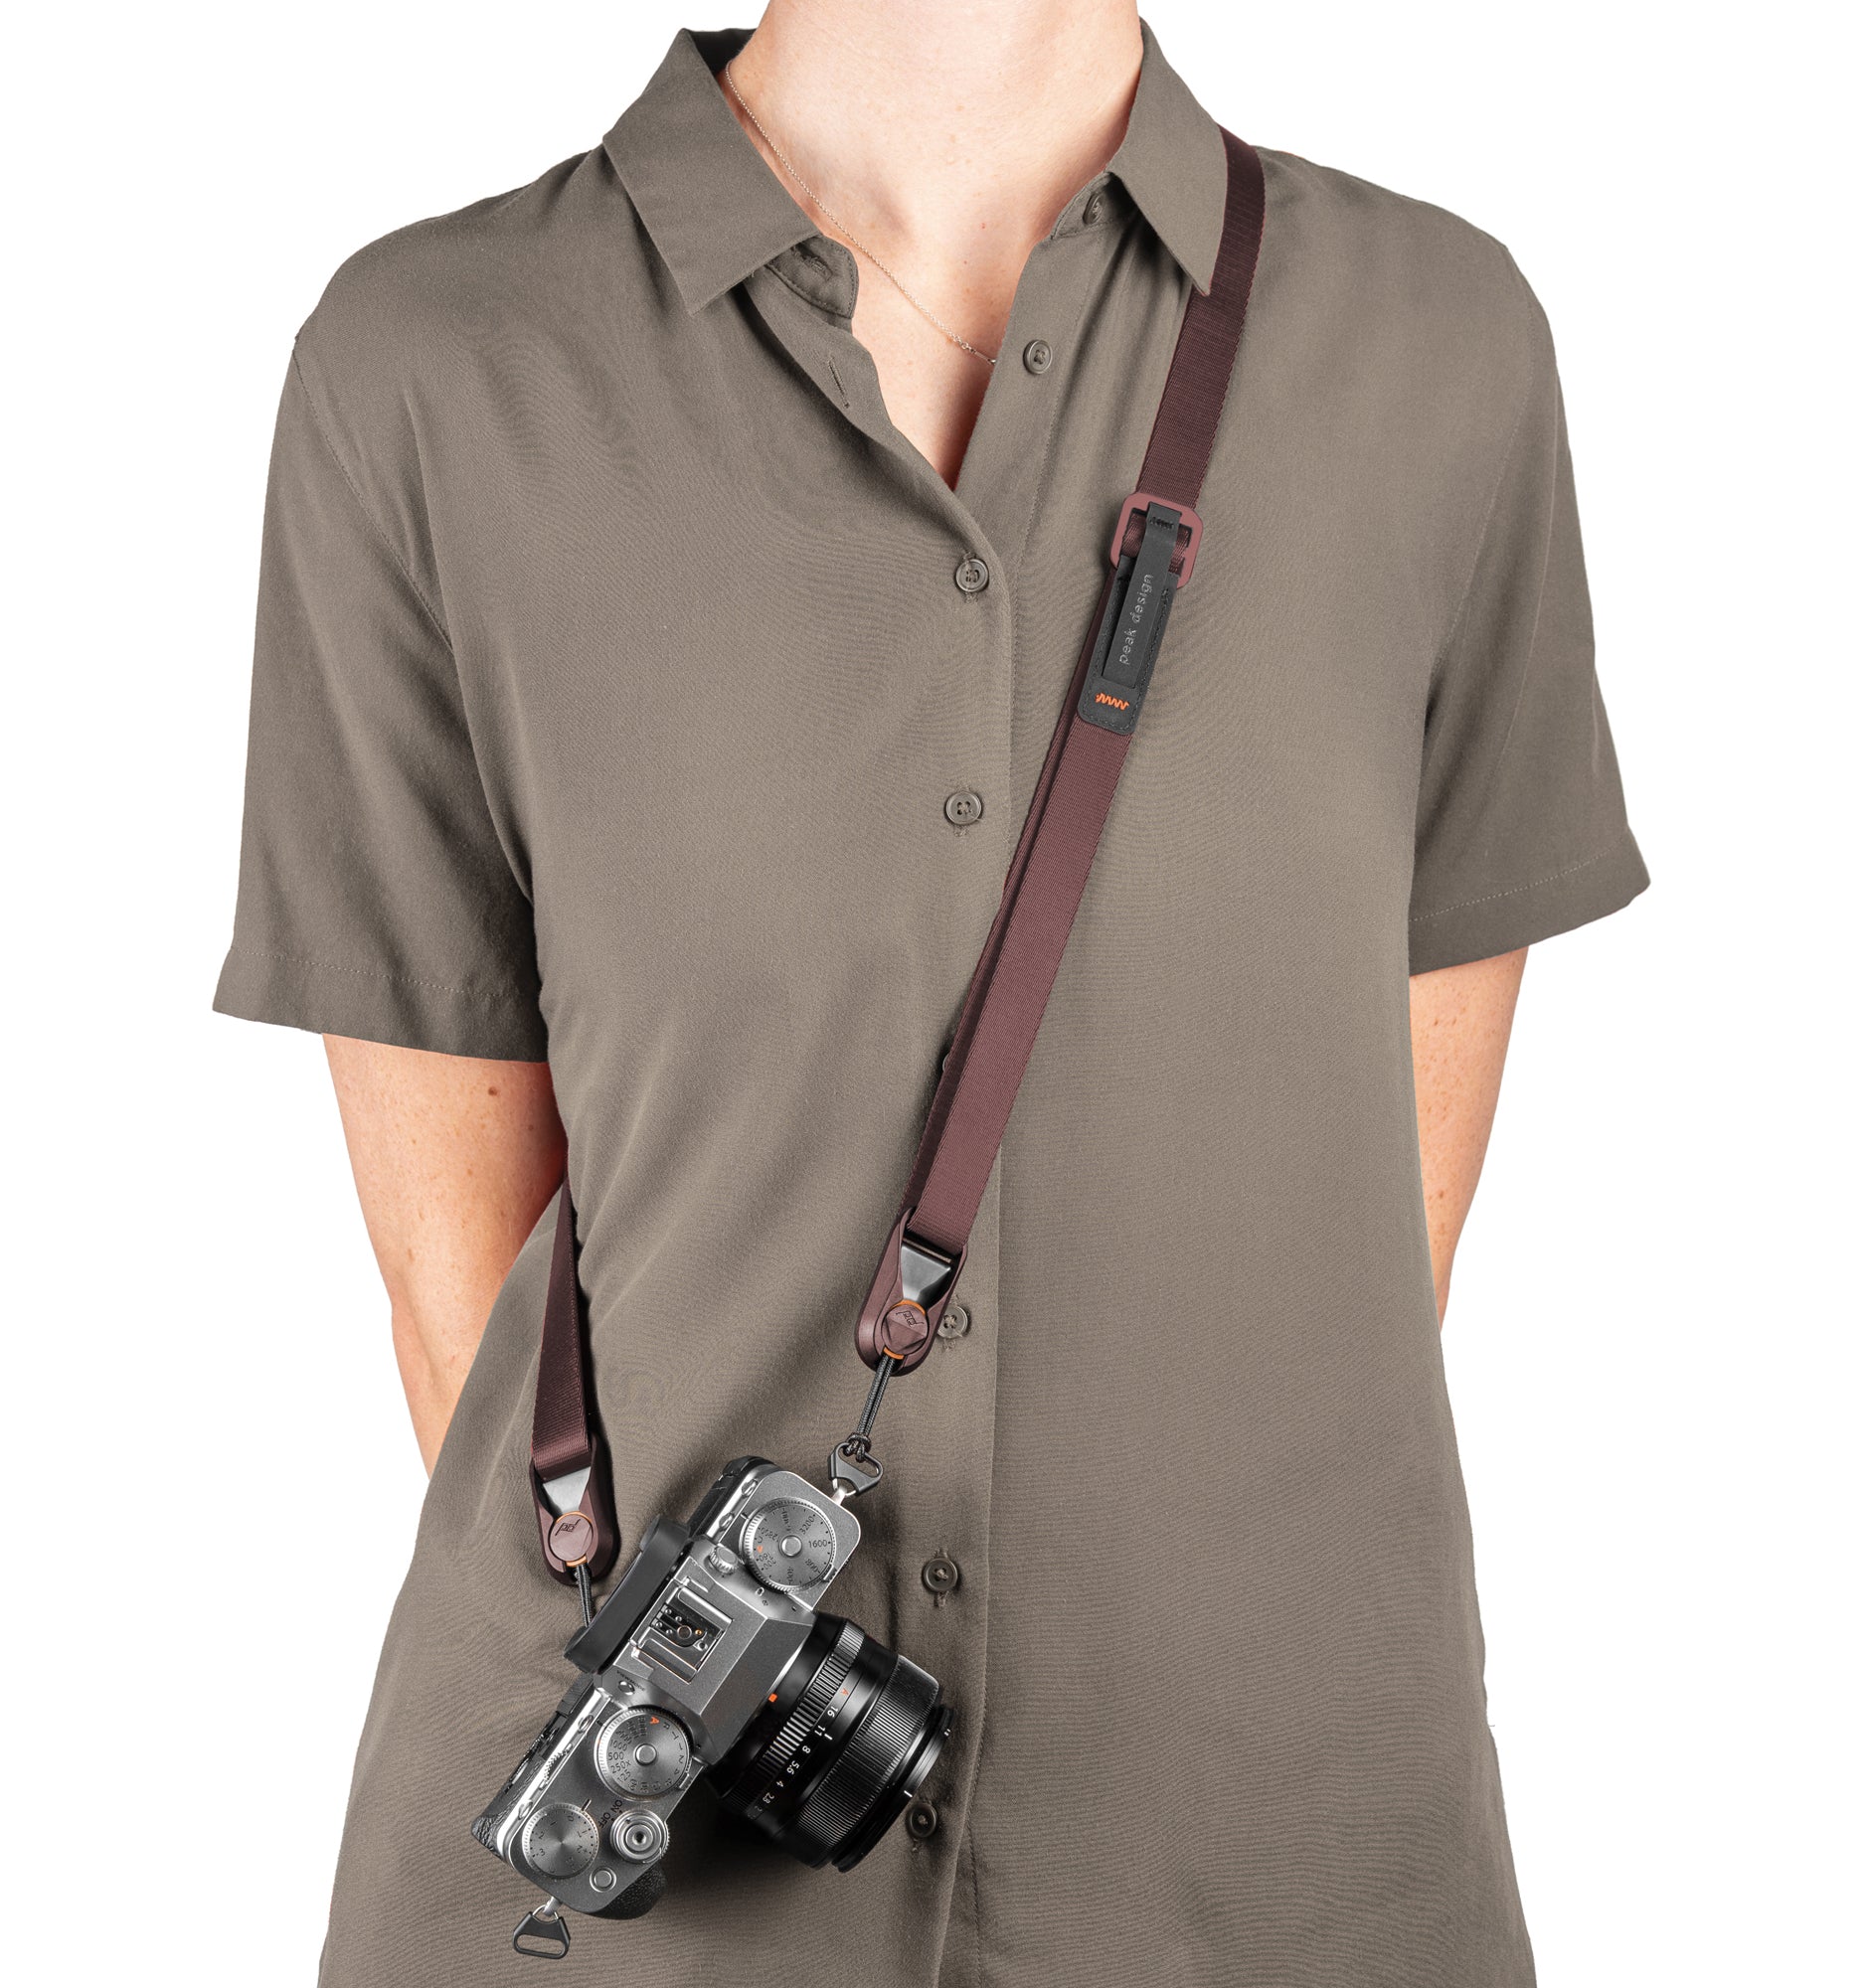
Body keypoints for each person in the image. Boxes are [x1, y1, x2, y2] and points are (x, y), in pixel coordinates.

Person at [215, 6, 1646, 1983]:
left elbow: (1379, 1230)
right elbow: (453, 1276)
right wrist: (680, 1654)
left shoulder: (1437, 344)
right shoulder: (434, 361)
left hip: (1272, 1868)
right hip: (639, 1864)